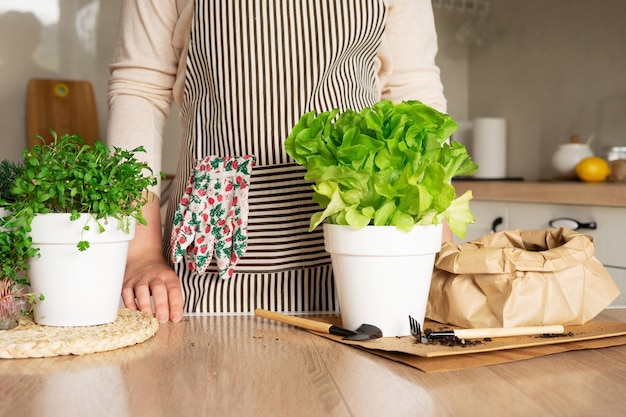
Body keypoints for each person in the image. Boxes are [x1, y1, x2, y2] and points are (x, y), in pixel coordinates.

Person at [107, 0, 450, 323]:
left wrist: (439, 232)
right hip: (214, 257)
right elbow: (140, 89)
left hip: (362, 243)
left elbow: (412, 92)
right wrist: (141, 251)